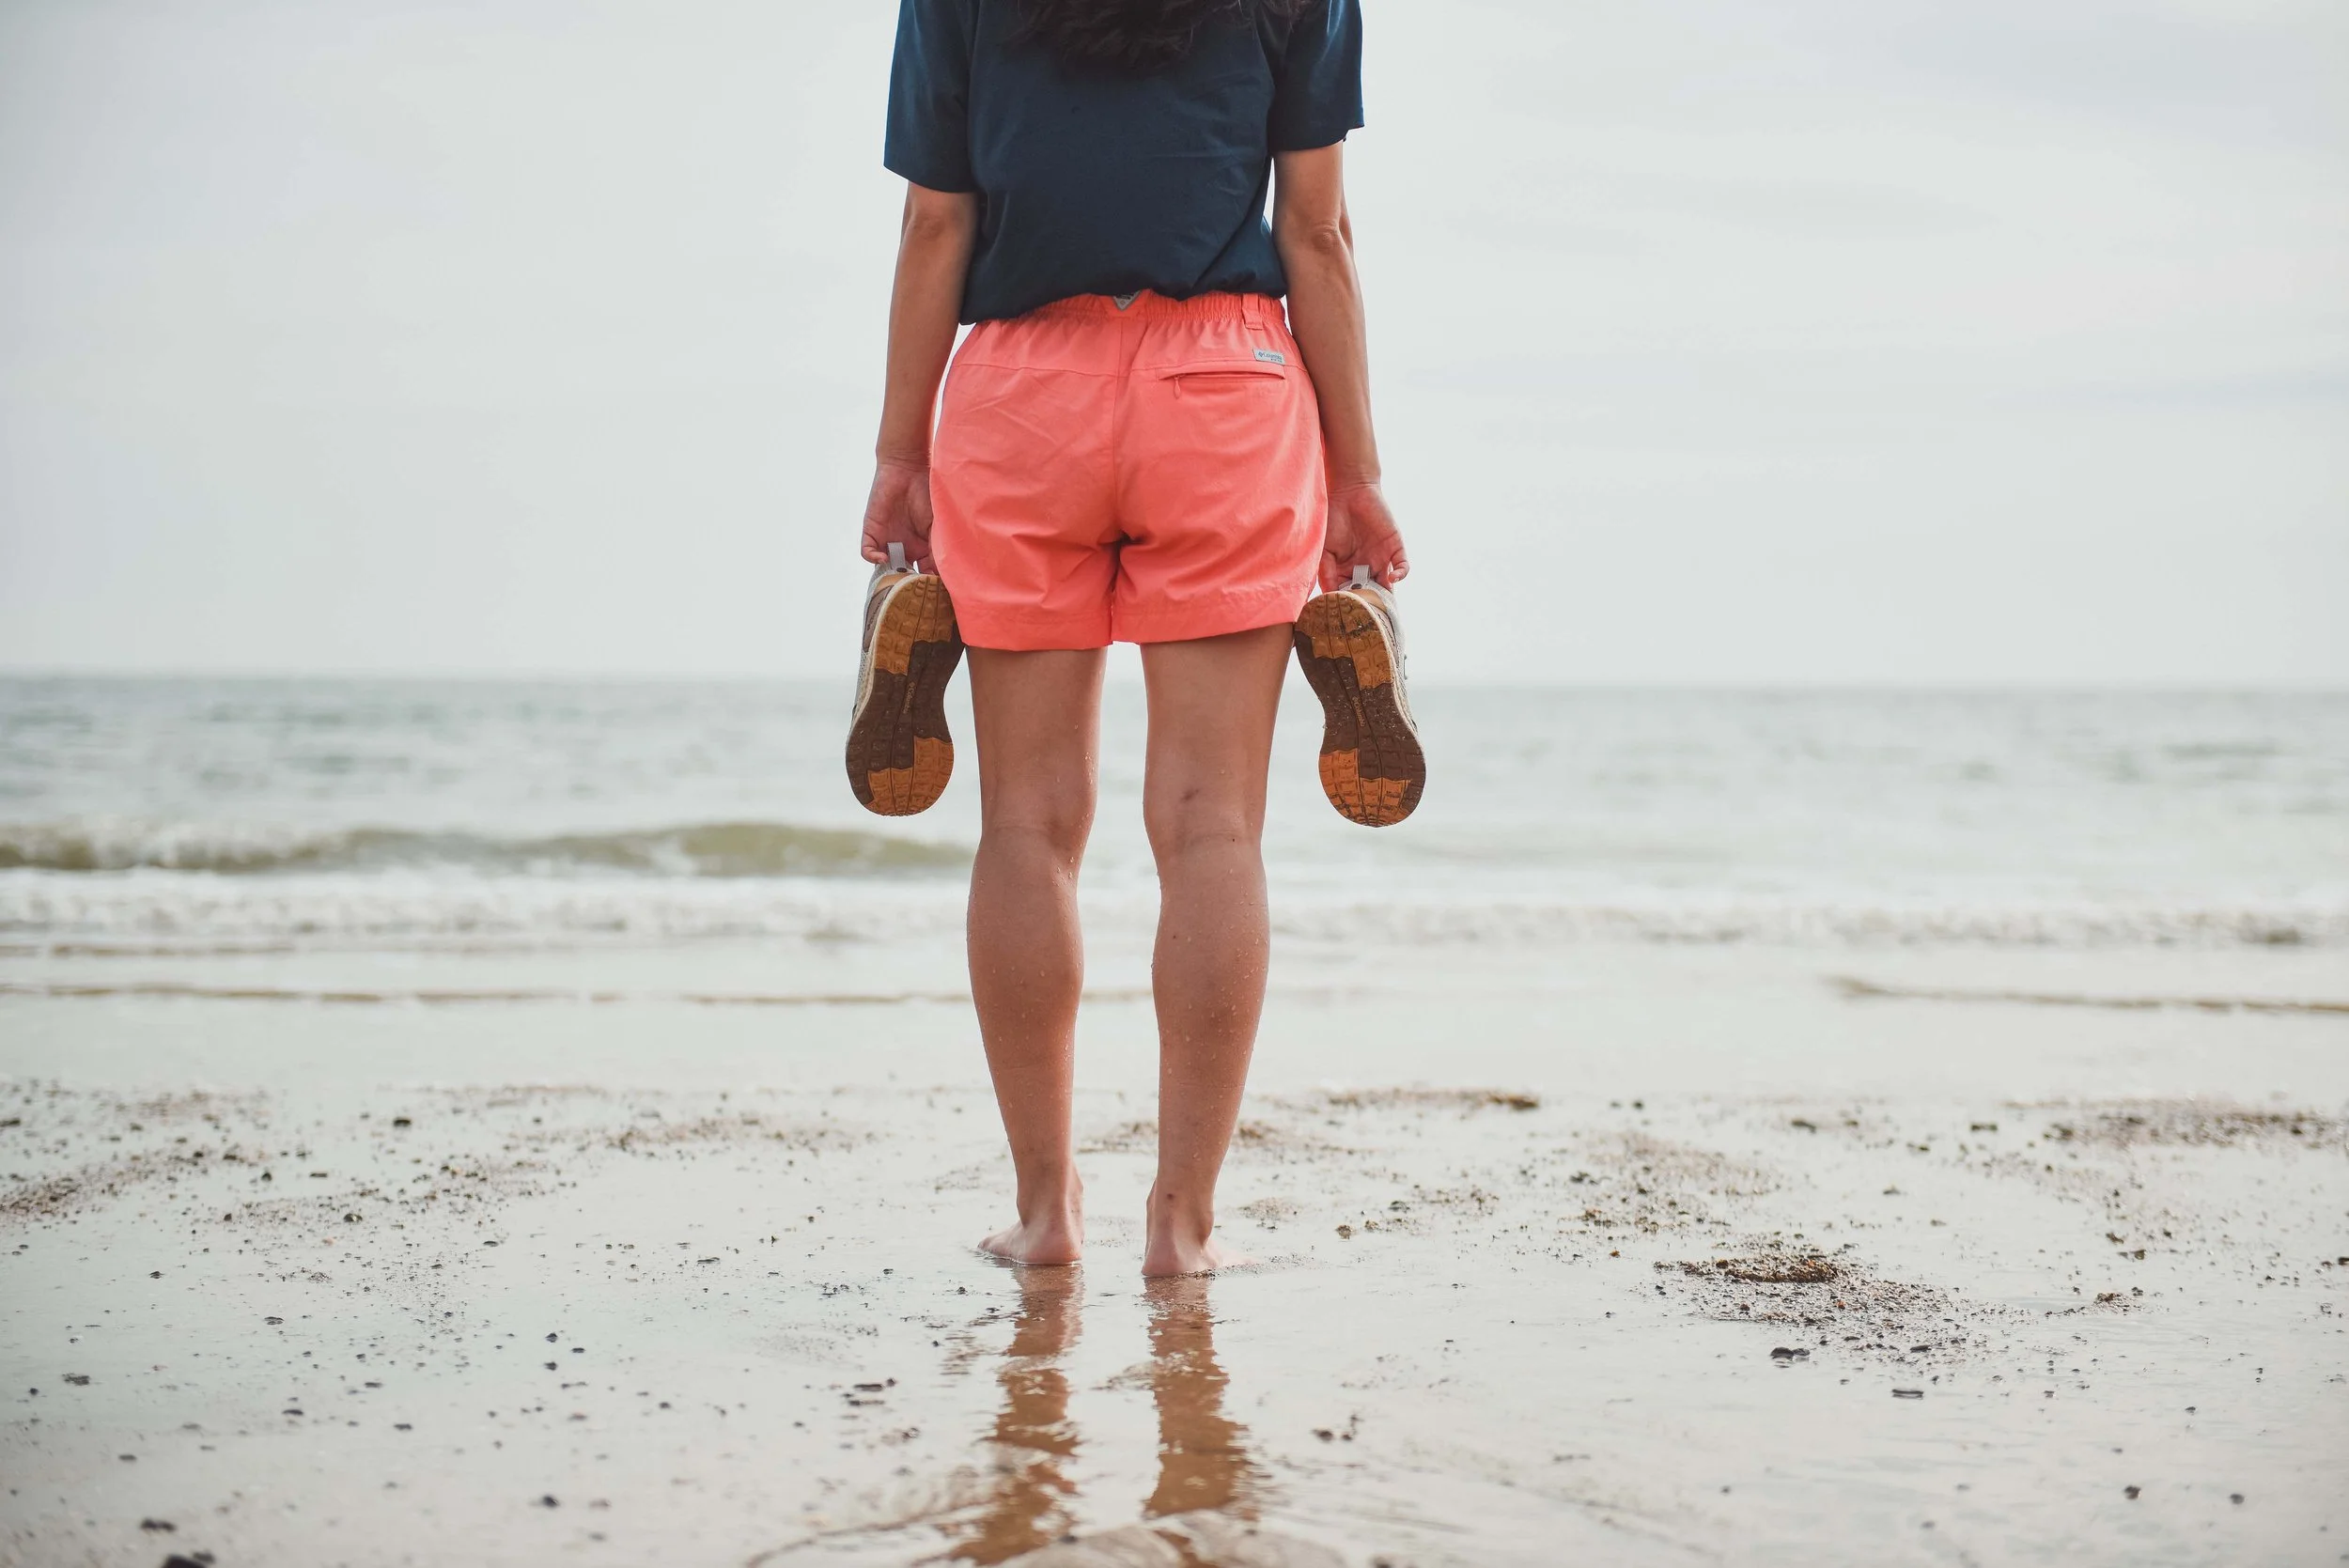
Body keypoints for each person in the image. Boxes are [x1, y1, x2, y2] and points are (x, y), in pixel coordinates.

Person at [847, 0, 1419, 1278]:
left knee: (1028, 825)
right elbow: (1315, 229)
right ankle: (1184, 1227)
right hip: (1226, 393)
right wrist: (1358, 473)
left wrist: (899, 452)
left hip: (1018, 398)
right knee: (1211, 826)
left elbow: (936, 220)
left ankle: (1048, 1216)